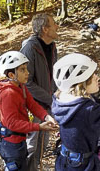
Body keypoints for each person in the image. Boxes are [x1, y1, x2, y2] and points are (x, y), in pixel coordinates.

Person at [0, 51, 59, 171]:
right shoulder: (8, 94)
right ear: (11, 74)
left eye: (26, 69)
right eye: (22, 70)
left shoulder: (20, 87)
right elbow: (12, 123)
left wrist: (46, 116)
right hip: (11, 144)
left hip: (19, 140)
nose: (27, 73)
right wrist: (38, 127)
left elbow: (32, 104)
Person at [20, 13, 59, 170]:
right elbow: (26, 83)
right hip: (33, 105)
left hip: (47, 105)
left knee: (42, 145)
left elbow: (53, 75)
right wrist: (50, 98)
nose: (57, 26)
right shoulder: (30, 48)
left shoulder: (52, 46)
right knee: (31, 146)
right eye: (54, 23)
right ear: (45, 29)